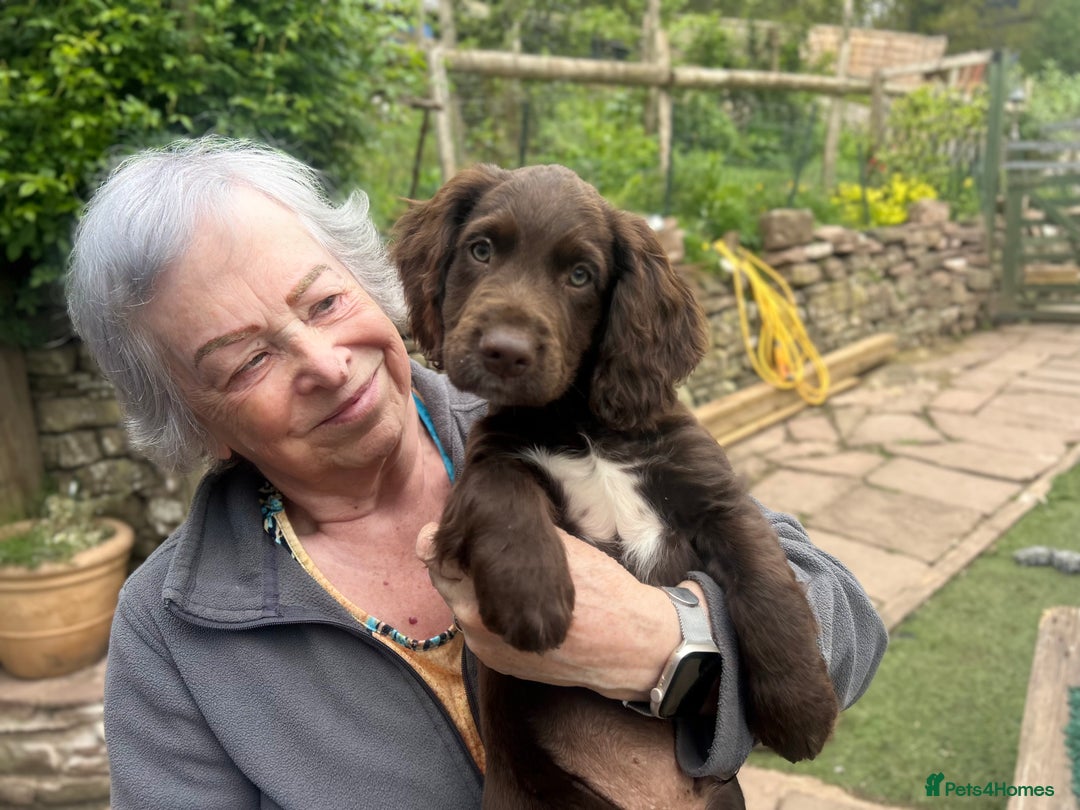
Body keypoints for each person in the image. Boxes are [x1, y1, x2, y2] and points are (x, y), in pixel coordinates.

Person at [67, 135, 887, 809]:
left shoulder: (551, 423)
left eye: (322, 304)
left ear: (372, 283)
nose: (324, 361)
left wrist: (665, 644)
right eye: (246, 360)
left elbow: (846, 623)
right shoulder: (172, 636)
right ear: (196, 425)